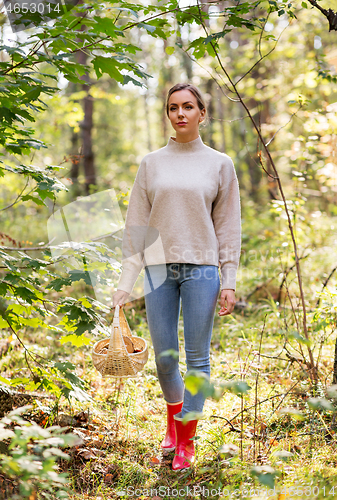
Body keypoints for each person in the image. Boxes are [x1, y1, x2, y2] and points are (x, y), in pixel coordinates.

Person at [112, 82, 241, 470]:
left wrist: (229, 278)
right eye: (173, 107)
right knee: (166, 358)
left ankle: (186, 440)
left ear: (203, 113)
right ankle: (173, 422)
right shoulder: (151, 163)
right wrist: (124, 282)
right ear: (167, 114)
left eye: (188, 106)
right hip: (155, 269)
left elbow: (228, 224)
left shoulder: (220, 164)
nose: (180, 113)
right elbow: (137, 227)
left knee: (197, 358)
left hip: (202, 270)